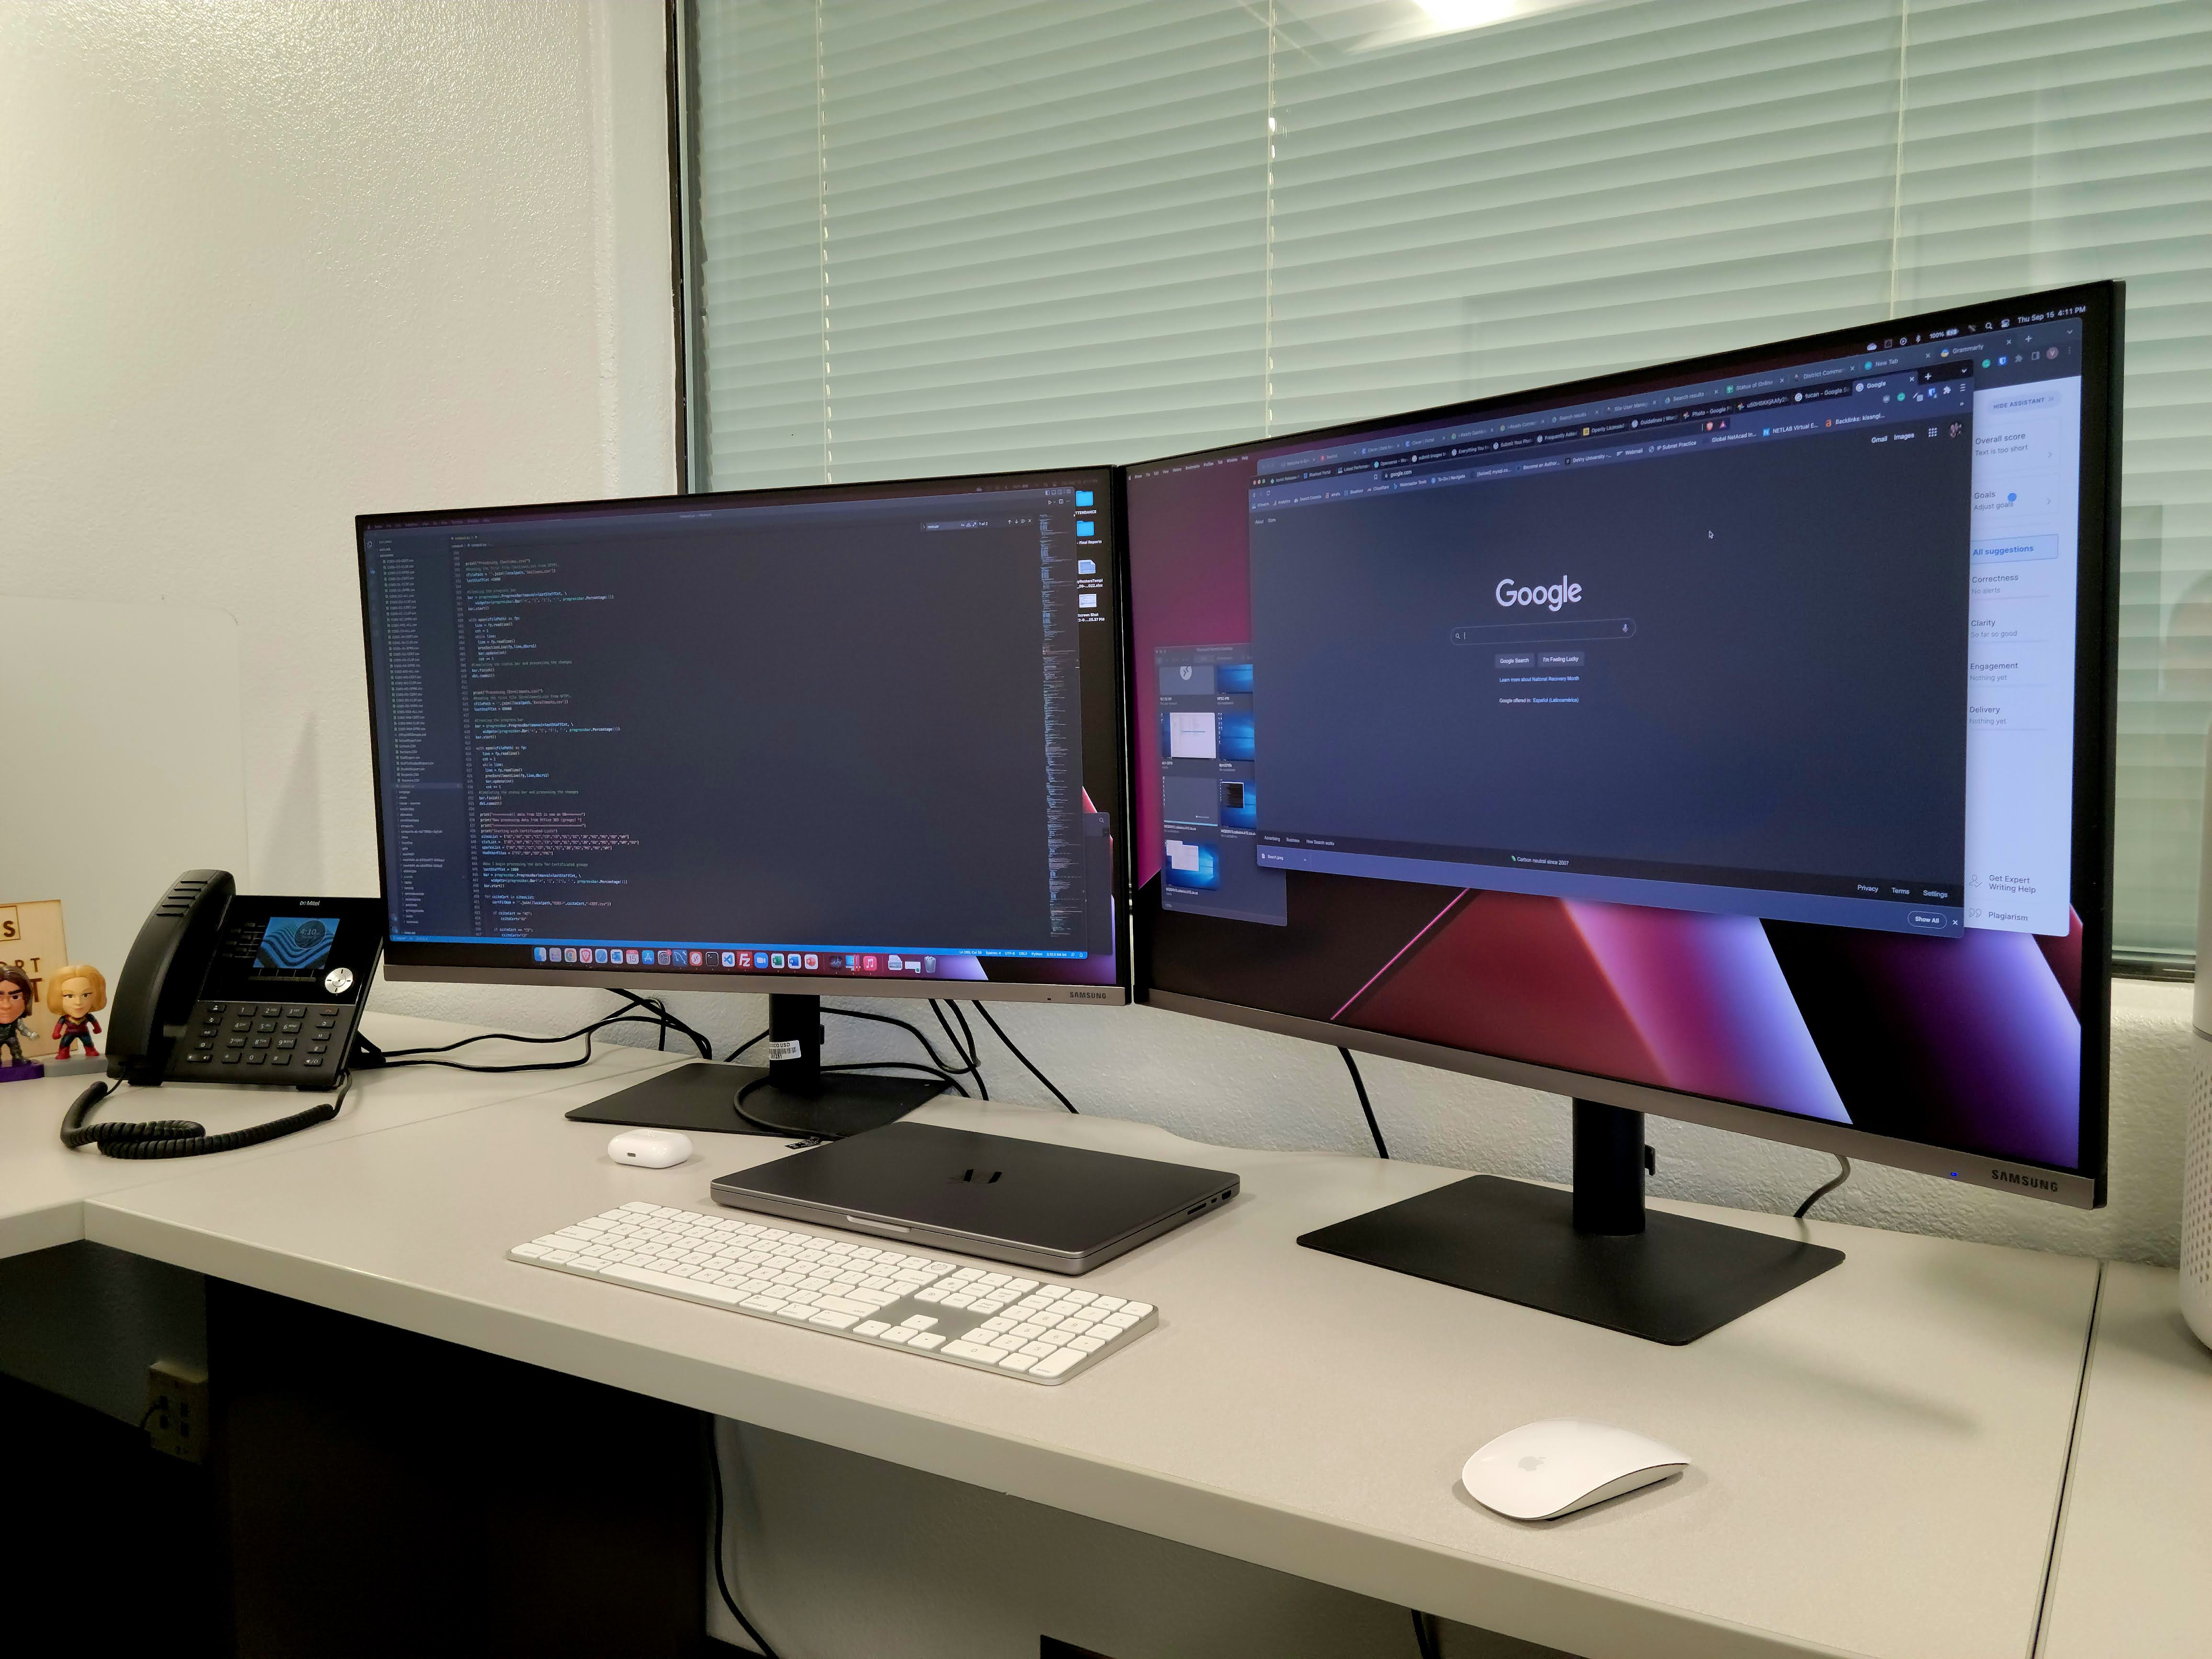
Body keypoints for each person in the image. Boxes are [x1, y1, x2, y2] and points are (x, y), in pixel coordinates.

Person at [48, 963, 107, 1060]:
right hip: (69, 1033)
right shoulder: (65, 1018)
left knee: (88, 1043)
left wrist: (97, 1029)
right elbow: (59, 1026)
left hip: (84, 1033)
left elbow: (94, 1022)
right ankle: (64, 1053)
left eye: (86, 995)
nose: (78, 1003)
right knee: (65, 1044)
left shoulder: (88, 1017)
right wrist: (56, 1033)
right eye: (70, 996)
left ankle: (91, 1051)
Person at [0, 967, 35, 1067]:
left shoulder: (17, 1021)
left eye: (15, 997)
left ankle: (18, 1058)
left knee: (16, 1048)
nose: (6, 1006)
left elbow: (22, 1028)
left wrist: (30, 1034)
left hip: (11, 1037)